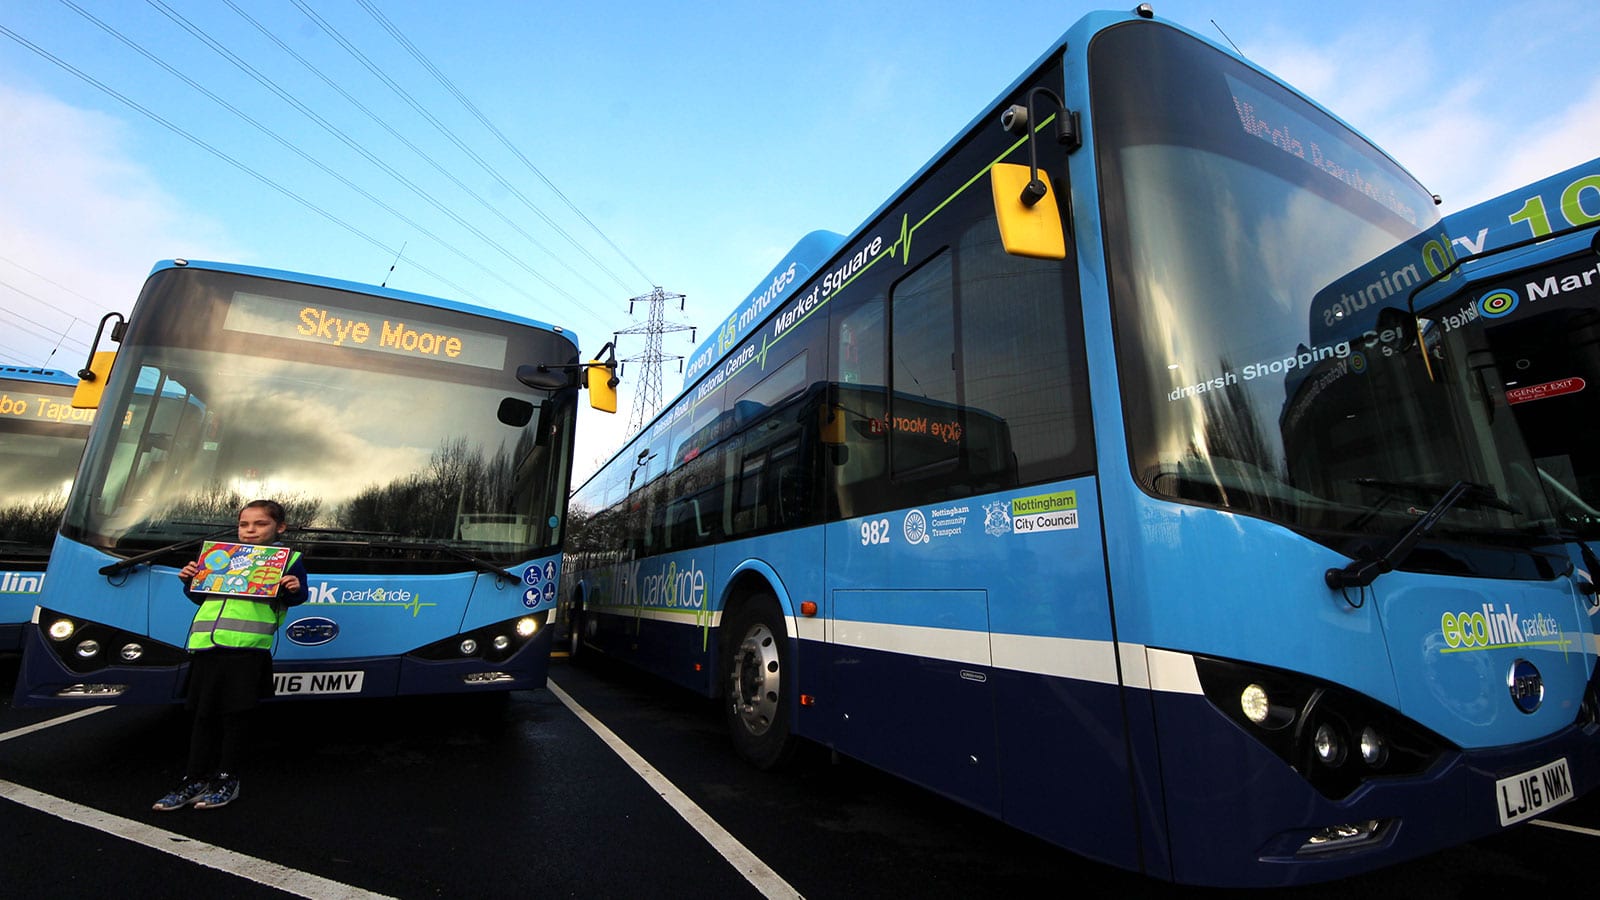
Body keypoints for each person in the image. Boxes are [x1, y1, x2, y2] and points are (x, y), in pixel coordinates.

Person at [152, 499, 309, 811]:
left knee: (235, 717)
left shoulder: (287, 560)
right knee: (202, 716)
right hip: (207, 648)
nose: (249, 531)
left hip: (247, 652)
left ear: (280, 528)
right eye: (244, 525)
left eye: (260, 524)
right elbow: (201, 597)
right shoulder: (221, 557)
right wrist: (190, 581)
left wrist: (293, 587)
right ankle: (194, 780)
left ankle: (227, 779)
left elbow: (299, 595)